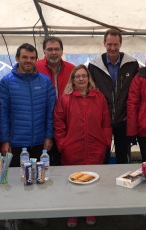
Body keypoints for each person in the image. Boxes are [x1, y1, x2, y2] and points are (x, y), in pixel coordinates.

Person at [0, 43, 56, 229]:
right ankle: (13, 215)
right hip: (16, 142)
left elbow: (50, 112)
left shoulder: (45, 81)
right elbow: (3, 113)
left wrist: (49, 136)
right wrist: (5, 139)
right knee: (15, 180)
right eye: (25, 57)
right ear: (17, 59)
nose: (29, 61)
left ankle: (34, 212)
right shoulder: (7, 82)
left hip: (39, 142)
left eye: (32, 58)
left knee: (38, 179)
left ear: (36, 59)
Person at [54, 64, 112, 228]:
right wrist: (62, 144)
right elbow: (59, 125)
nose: (81, 79)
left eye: (84, 76)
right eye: (77, 76)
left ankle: (89, 209)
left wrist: (105, 142)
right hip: (73, 148)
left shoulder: (99, 97)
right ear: (72, 79)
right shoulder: (65, 99)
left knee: (92, 180)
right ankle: (73, 211)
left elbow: (106, 122)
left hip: (95, 147)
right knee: (73, 180)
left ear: (88, 78)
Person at [88, 29, 139, 164]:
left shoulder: (132, 64)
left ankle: (124, 182)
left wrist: (132, 113)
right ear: (104, 43)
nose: (112, 48)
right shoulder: (94, 66)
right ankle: (103, 183)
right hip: (102, 120)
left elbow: (138, 91)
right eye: (109, 44)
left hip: (123, 118)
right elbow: (89, 91)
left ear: (121, 44)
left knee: (123, 157)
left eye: (116, 44)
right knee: (102, 154)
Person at [35, 36, 75, 166]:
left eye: (57, 49)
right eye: (50, 49)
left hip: (66, 124)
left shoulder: (72, 69)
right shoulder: (35, 68)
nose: (53, 52)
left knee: (62, 161)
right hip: (41, 122)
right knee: (42, 163)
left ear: (62, 51)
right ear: (44, 52)